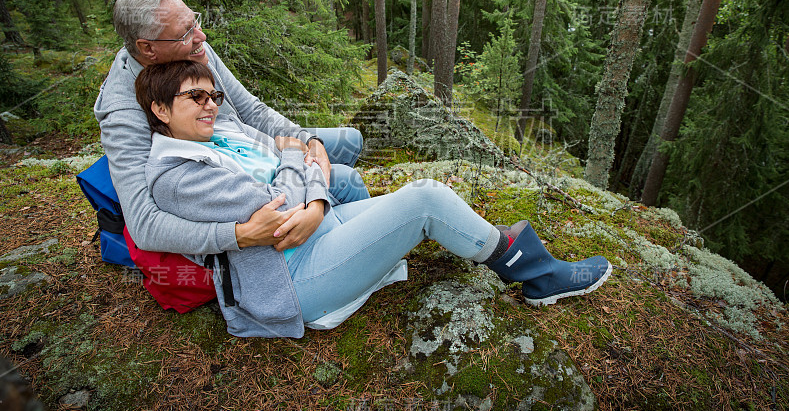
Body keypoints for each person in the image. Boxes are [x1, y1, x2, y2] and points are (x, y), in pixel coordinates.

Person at [136, 60, 613, 338]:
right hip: (292, 278)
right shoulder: (179, 175)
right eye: (194, 98)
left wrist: (307, 177)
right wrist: (295, 162)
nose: (211, 104)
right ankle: (540, 276)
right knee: (424, 200)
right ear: (160, 110)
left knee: (418, 197)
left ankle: (515, 253)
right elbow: (277, 210)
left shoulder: (216, 137)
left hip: (318, 233)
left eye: (213, 94)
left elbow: (298, 175)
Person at [95, 0, 367, 261]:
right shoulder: (122, 111)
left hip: (251, 150)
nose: (200, 36)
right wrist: (239, 234)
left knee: (350, 142)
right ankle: (338, 242)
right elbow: (144, 224)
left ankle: (335, 214)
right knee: (340, 176)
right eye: (185, 33)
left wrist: (307, 139)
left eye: (195, 22)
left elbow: (252, 110)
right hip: (235, 187)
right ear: (148, 48)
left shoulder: (195, 50)